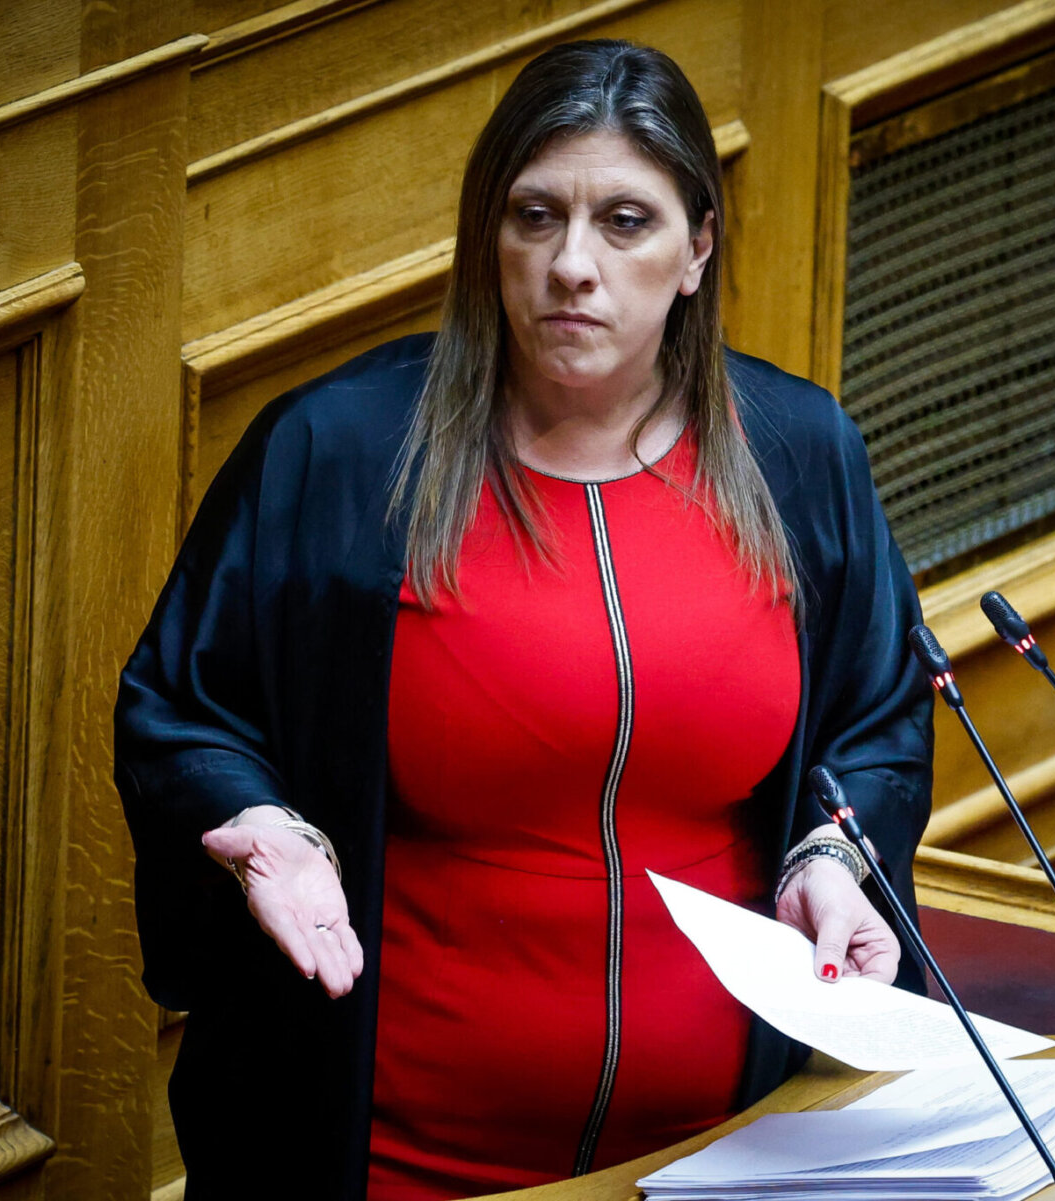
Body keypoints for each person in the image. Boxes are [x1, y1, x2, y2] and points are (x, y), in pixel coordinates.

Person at [115, 39, 932, 1201]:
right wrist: (262, 824)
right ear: (487, 235)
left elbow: (877, 715)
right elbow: (183, 704)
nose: (572, 266)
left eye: (626, 222)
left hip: (726, 1157)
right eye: (535, 216)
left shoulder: (800, 455)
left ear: (698, 246)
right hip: (390, 1160)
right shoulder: (340, 453)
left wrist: (833, 855)